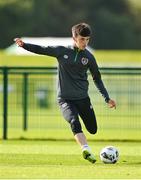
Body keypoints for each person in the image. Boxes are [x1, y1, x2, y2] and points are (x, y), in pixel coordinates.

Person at [14, 22, 116, 164]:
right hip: (65, 99)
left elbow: (97, 79)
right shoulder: (61, 51)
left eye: (87, 39)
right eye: (82, 39)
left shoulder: (89, 58)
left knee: (93, 129)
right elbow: (41, 49)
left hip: (83, 99)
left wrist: (107, 98)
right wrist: (24, 45)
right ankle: (85, 149)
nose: (85, 42)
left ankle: (86, 144)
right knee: (74, 121)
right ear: (74, 38)